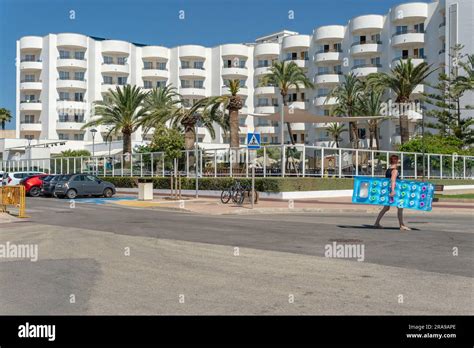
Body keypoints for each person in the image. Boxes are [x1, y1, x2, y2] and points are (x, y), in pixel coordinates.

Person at [374, 154, 411, 231]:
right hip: (394, 191)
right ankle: (401, 225)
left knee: (386, 208)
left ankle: (377, 222)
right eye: (398, 160)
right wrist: (393, 191)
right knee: (400, 207)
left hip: (387, 190)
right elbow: (393, 180)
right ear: (396, 161)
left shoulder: (388, 170)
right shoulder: (395, 170)